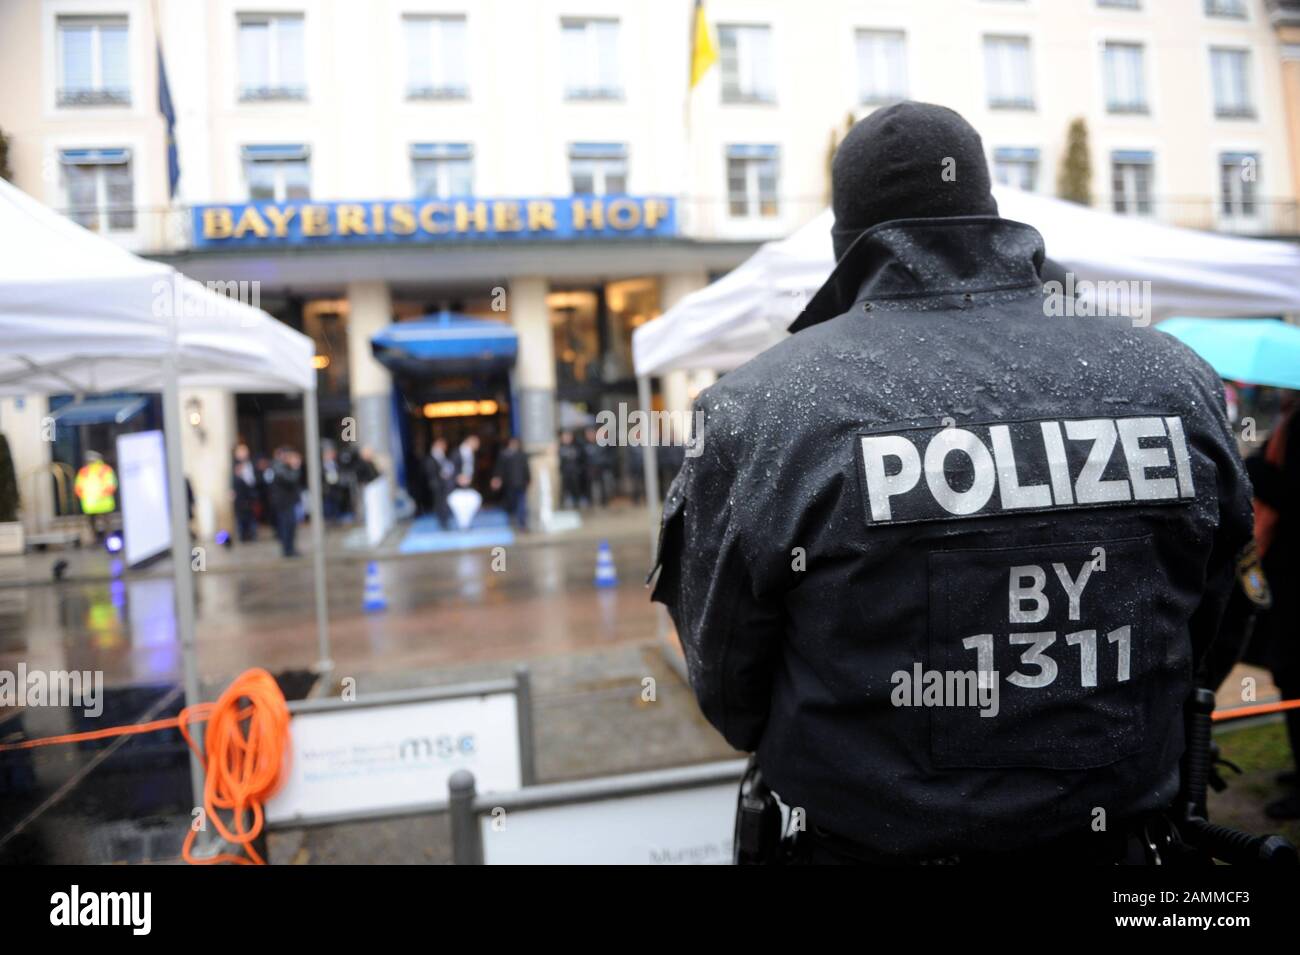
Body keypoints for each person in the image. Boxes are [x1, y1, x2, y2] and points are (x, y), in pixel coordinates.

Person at [651, 101, 1256, 864]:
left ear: (846, 239)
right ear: (987, 207)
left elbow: (732, 688)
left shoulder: (757, 412)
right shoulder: (1174, 378)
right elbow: (1216, 620)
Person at [1246, 393, 1300, 819]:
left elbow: (1289, 492)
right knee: (1288, 677)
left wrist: (1254, 468)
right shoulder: (1288, 425)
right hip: (1285, 574)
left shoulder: (1296, 429)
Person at [268, 446, 303, 558]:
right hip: (283, 503)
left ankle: (291, 548)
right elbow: (290, 480)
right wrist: (295, 467)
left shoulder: (284, 467)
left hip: (289, 501)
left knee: (291, 526)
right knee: (287, 525)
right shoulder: (278, 467)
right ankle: (287, 550)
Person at [74, 450, 117, 539]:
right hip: (101, 503)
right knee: (105, 524)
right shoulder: (104, 469)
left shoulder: (85, 471)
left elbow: (78, 487)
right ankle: (108, 540)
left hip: (91, 503)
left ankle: (98, 540)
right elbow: (112, 484)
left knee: (94, 525)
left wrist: (83, 496)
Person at [492, 436, 531, 531]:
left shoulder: (522, 454)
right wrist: (497, 479)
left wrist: (528, 479)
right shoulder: (504, 454)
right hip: (509, 484)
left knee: (521, 503)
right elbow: (500, 469)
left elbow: (526, 469)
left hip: (520, 484)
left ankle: (521, 523)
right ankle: (515, 522)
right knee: (512, 502)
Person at [231, 443, 259, 542]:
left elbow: (254, 479)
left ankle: (252, 534)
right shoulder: (234, 465)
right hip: (240, 496)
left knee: (251, 516)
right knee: (241, 518)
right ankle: (243, 535)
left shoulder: (251, 463)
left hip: (250, 495)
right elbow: (233, 480)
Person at [424, 437, 454, 528]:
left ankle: (445, 520)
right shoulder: (431, 457)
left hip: (443, 484)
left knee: (444, 503)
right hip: (437, 484)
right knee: (440, 503)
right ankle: (442, 522)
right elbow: (431, 471)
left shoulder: (442, 456)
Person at [558, 430, 586, 509]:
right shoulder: (560, 447)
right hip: (565, 472)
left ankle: (577, 502)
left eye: (568, 436)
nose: (566, 438)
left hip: (575, 472)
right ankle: (565, 502)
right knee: (565, 489)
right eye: (565, 437)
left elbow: (582, 459)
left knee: (576, 488)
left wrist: (580, 469)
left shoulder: (577, 447)